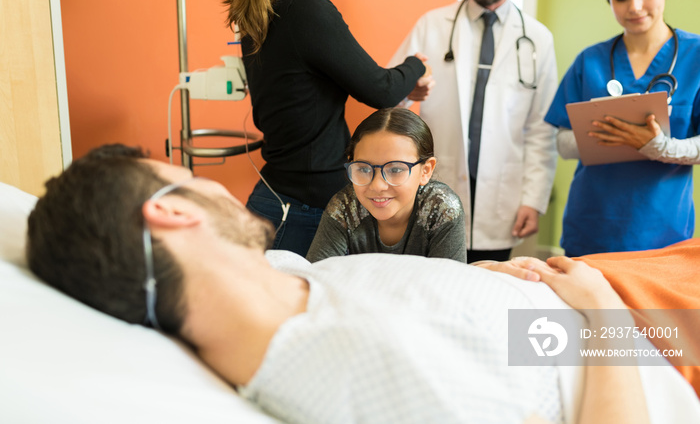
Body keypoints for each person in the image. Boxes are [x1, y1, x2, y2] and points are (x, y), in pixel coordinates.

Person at [32, 145, 700, 423]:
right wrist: (603, 313)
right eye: (185, 175)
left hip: (573, 309)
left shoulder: (279, 287)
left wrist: (483, 287)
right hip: (634, 344)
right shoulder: (362, 368)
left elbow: (481, 339)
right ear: (172, 210)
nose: (213, 185)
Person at [224, 0, 433, 257]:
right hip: (301, 212)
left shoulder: (258, 12)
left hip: (274, 199)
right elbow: (382, 89)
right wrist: (416, 65)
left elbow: (307, 88)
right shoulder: (306, 10)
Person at [389, 0, 558, 264]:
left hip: (501, 198)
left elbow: (542, 129)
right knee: (433, 284)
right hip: (439, 187)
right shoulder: (432, 25)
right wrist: (405, 91)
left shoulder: (538, 40)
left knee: (487, 290)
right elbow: (388, 95)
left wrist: (533, 200)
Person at [544, 0, 700, 257]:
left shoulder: (696, 56)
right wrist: (608, 135)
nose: (635, 7)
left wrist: (661, 148)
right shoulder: (590, 61)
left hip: (663, 231)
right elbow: (562, 144)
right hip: (592, 226)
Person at [306, 108, 466, 263]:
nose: (377, 186)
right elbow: (316, 280)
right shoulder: (344, 207)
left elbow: (448, 287)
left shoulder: (443, 209)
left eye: (395, 169)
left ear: (426, 170)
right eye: (363, 168)